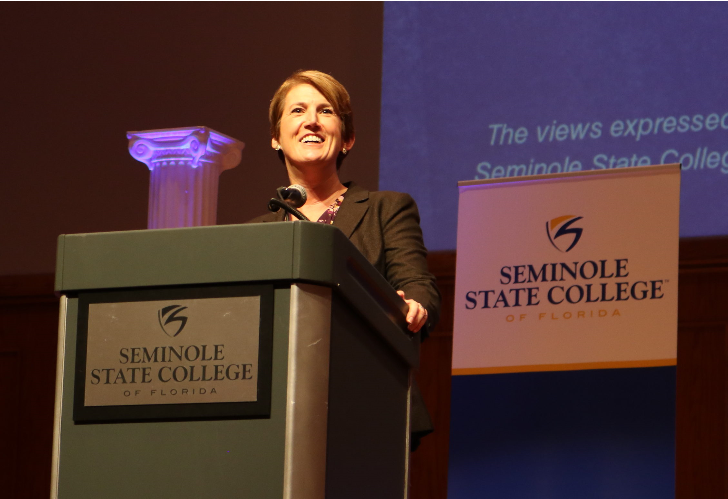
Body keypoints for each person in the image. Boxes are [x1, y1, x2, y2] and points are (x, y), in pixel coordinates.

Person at [250, 69, 441, 449]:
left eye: (326, 111)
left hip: (368, 401)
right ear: (275, 137)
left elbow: (420, 287)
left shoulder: (387, 208)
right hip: (274, 412)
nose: (311, 121)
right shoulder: (256, 232)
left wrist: (415, 306)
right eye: (298, 110)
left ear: (347, 138)